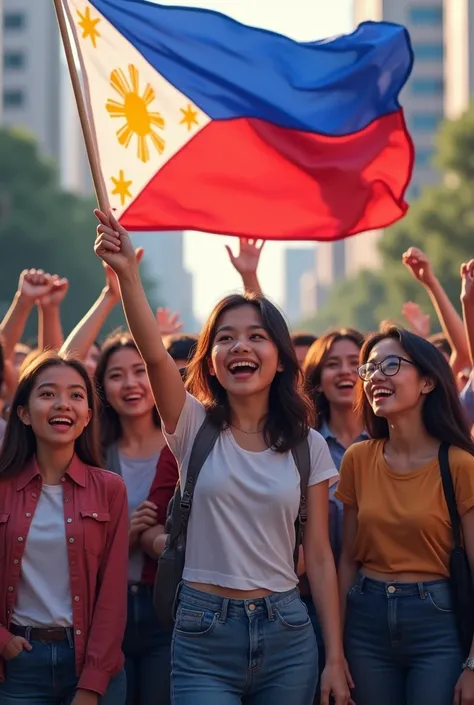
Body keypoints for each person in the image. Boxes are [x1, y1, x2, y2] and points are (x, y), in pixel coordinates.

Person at [94, 209, 350, 705]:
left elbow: (318, 556)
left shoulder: (307, 445)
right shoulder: (192, 426)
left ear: (278, 358)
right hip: (202, 631)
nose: (240, 346)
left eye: (256, 336)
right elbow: (152, 354)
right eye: (226, 337)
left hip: (288, 633)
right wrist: (128, 272)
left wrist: (334, 658)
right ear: (210, 360)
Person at [337, 325, 474, 705]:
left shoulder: (461, 465)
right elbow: (347, 560)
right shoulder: (358, 459)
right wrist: (334, 652)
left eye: (391, 365)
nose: (375, 376)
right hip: (366, 621)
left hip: (438, 623)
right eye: (370, 368)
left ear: (428, 382)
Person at [0, 351, 128, 705]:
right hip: (18, 665)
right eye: (47, 394)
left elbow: (113, 593)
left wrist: (92, 681)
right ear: (23, 413)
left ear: (88, 415)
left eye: (76, 395)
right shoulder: (2, 488)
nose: (63, 405)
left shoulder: (110, 489)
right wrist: (3, 641)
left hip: (89, 662)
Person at [94, 332, 175, 705]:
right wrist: (125, 537)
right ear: (101, 388)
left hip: (168, 607)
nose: (130, 384)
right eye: (116, 375)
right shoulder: (93, 454)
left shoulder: (185, 447)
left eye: (140, 370)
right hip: (107, 610)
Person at [301, 329, 366, 701]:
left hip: (371, 602)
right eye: (332, 364)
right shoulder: (301, 444)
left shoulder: (388, 441)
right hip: (308, 603)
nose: (345, 372)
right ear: (317, 378)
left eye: (355, 364)